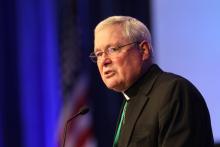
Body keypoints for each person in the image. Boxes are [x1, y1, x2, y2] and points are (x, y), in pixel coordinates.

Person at [89, 16, 214, 147]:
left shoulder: (174, 92)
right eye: (98, 54)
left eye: (113, 49)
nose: (104, 61)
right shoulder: (129, 101)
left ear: (143, 50)